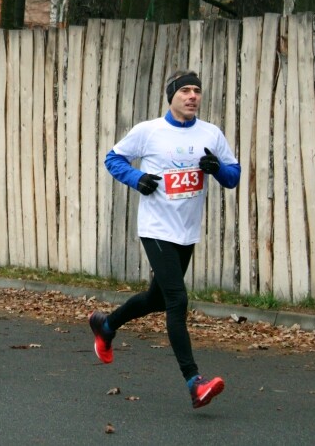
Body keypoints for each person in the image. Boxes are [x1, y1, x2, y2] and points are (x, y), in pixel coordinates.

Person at [90, 70, 240, 409]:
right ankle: (194, 381)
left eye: (197, 91)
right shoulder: (149, 132)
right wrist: (136, 177)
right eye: (185, 90)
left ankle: (106, 324)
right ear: (171, 96)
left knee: (156, 299)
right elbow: (113, 159)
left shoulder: (211, 134)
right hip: (156, 228)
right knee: (177, 300)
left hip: (187, 231)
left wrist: (215, 168)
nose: (192, 96)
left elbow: (233, 176)